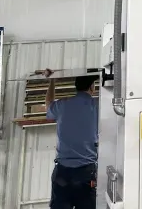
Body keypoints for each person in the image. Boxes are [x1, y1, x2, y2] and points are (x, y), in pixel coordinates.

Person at [45, 72, 99, 209]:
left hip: (63, 174)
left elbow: (48, 104)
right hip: (86, 174)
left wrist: (52, 81)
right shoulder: (98, 106)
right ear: (92, 87)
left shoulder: (62, 105)